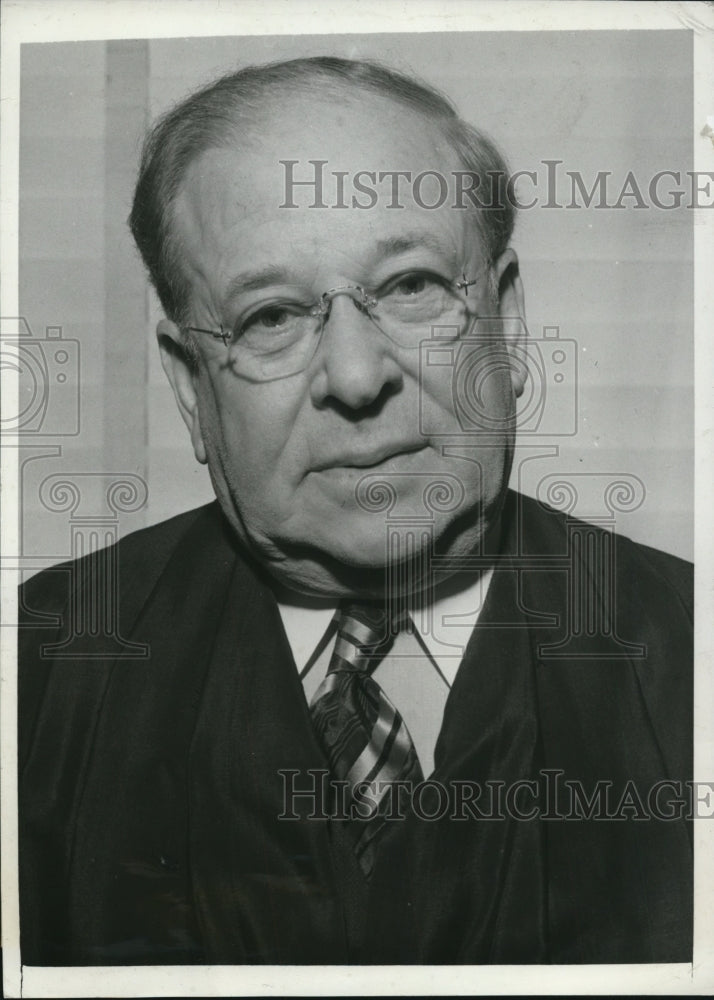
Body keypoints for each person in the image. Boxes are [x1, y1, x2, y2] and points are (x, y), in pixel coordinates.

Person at [18, 56, 692, 966]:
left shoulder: (694, 655)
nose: (355, 375)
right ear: (189, 388)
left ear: (508, 318)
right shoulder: (39, 678)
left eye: (412, 286)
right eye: (270, 317)